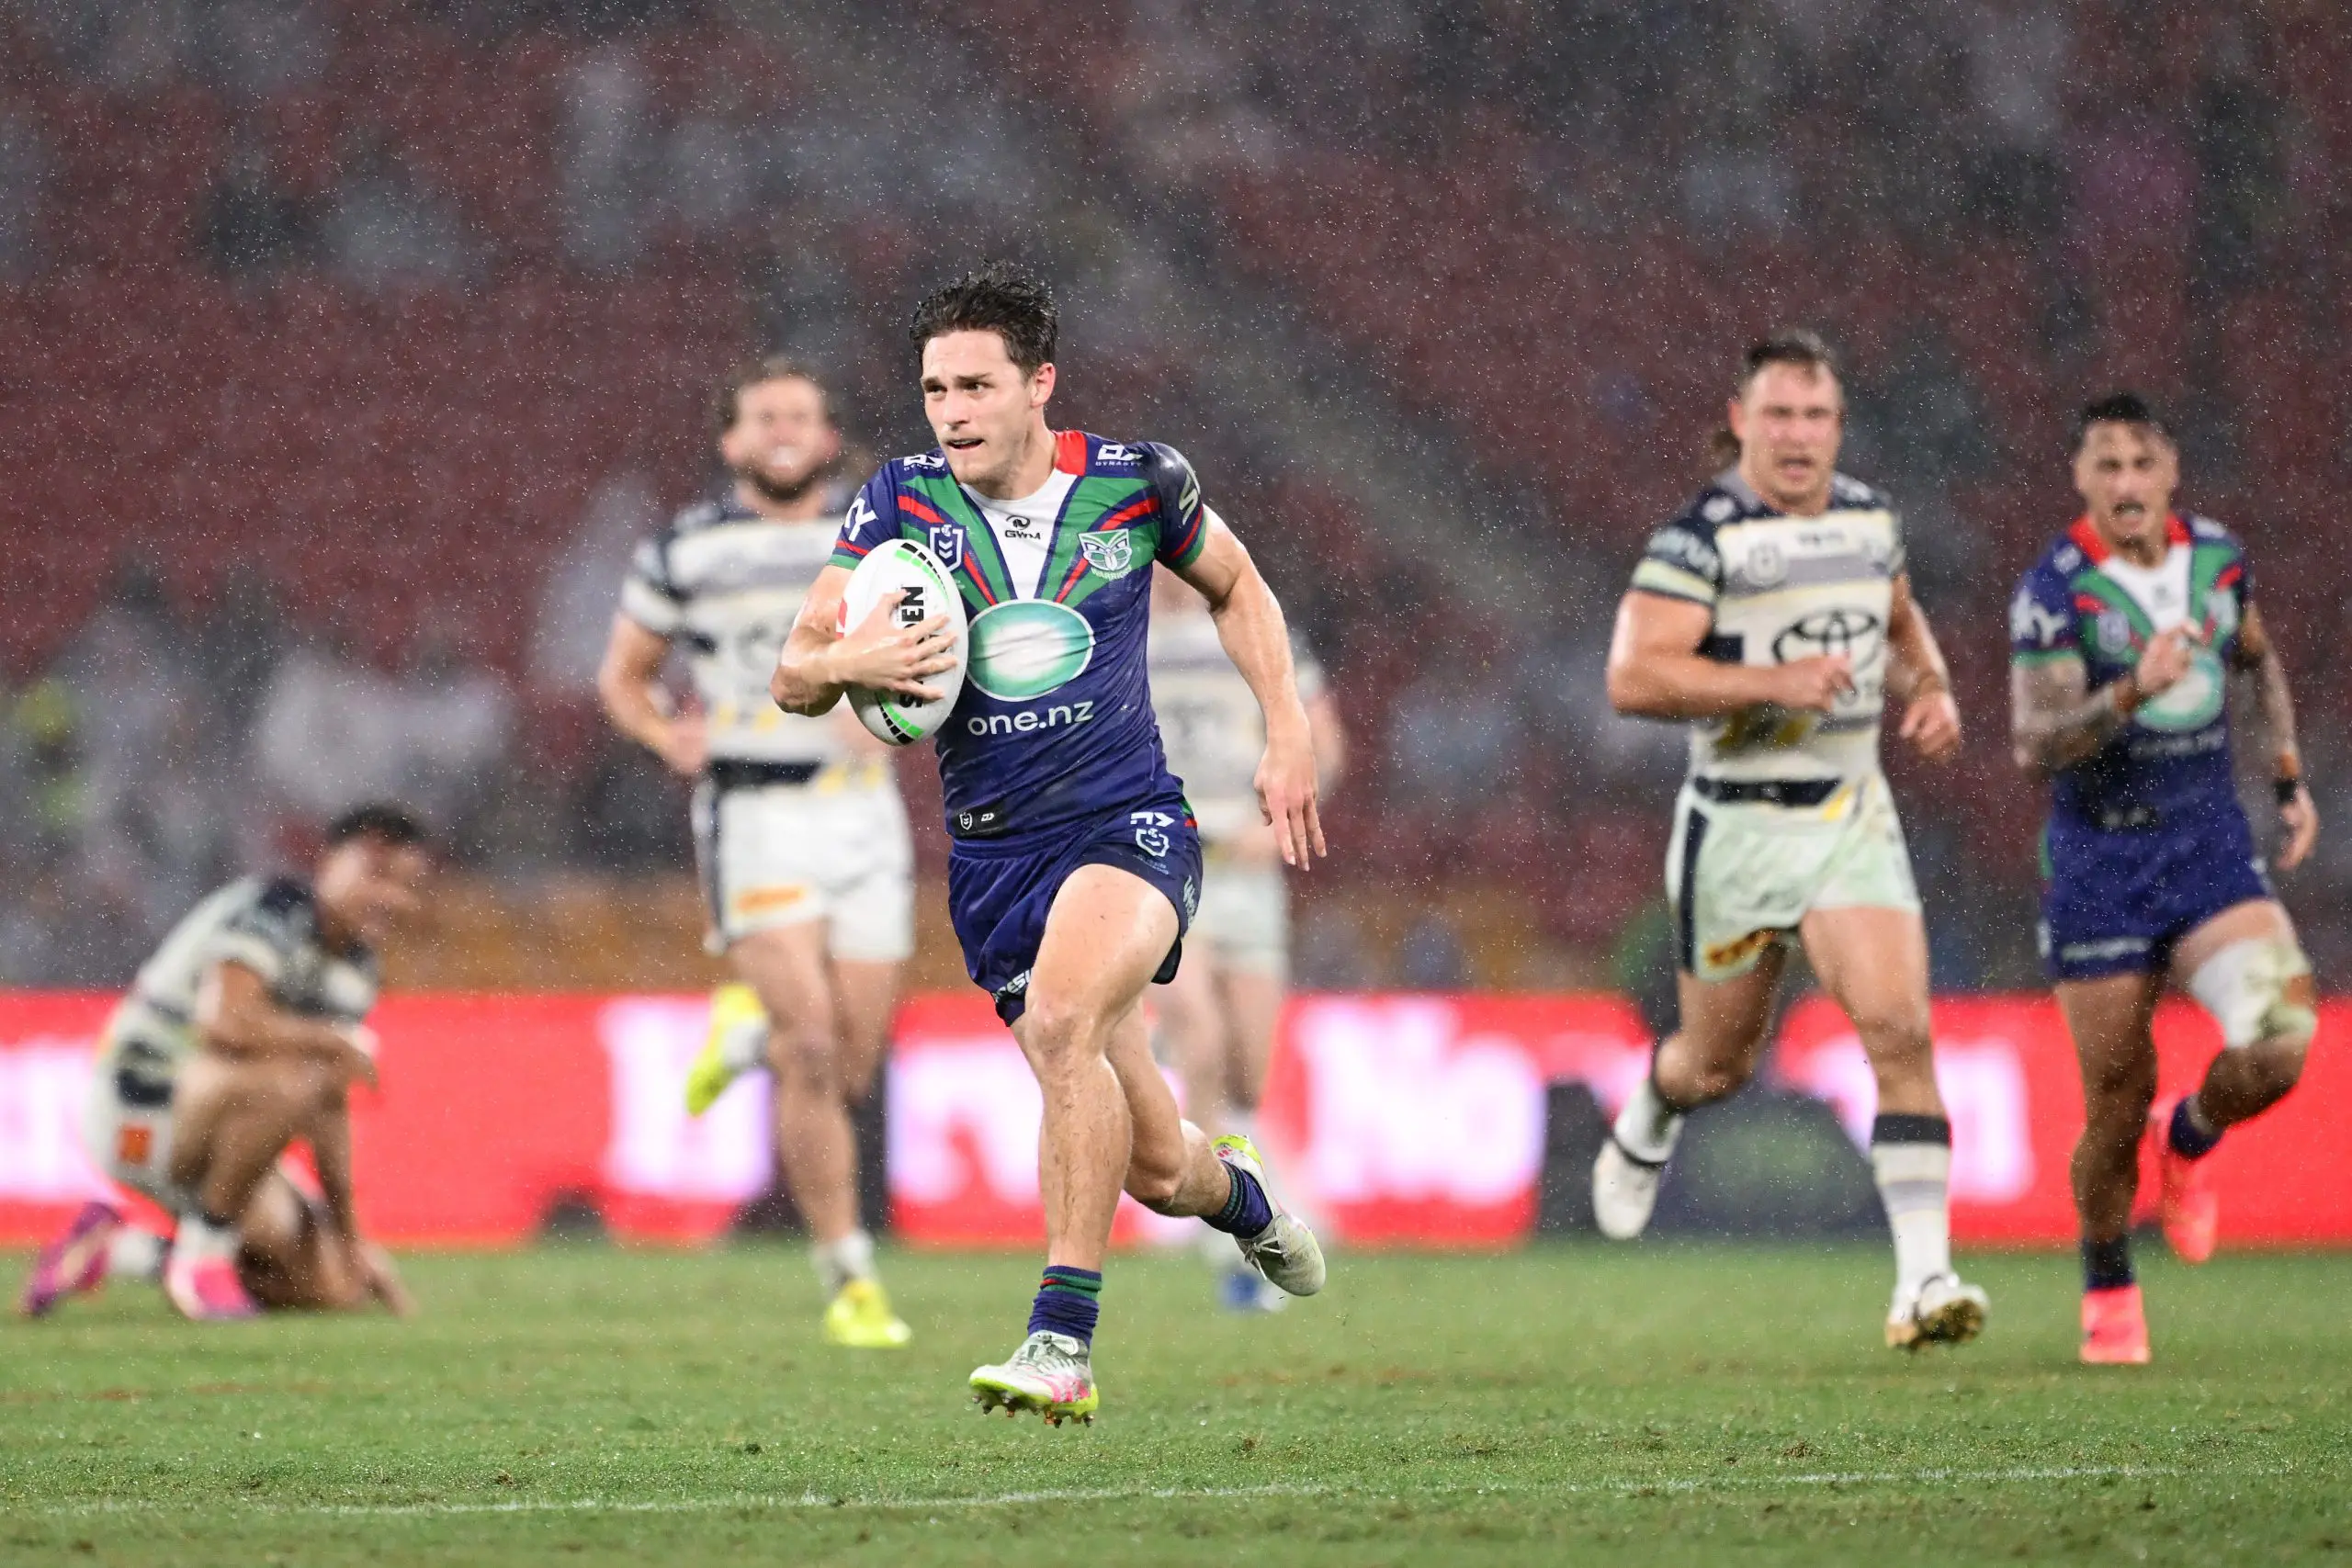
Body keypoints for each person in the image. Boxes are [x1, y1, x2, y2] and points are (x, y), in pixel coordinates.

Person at [771, 261, 1329, 1424]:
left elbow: (1241, 590)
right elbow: (794, 671)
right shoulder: (896, 503)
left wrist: (1285, 735)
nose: (953, 412)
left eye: (976, 386)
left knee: (1068, 1027)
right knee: (1156, 1163)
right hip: (991, 862)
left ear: (1040, 385)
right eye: (934, 390)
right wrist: (848, 664)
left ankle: (1059, 1343)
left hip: (1127, 826)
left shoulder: (1137, 483)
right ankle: (1242, 1202)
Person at [1591, 330, 1991, 1350]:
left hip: (1847, 813)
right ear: (1739, 421)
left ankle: (1923, 1281)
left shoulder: (1867, 519)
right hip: (1736, 825)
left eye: (1815, 416)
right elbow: (1635, 678)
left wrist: (1932, 688)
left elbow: (1897, 623)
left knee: (1899, 1032)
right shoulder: (1700, 539)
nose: (1797, 435)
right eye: (1778, 415)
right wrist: (1774, 683)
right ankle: (1654, 1101)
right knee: (1717, 1064)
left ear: (1837, 425)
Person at [597, 356, 914, 1350]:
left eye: (800, 415)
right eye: (762, 416)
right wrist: (663, 735)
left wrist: (900, 708)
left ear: (827, 439)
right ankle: (847, 1272)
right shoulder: (686, 550)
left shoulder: (886, 537)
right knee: (813, 1050)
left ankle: (747, 1030)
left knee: (851, 1065)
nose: (782, 430)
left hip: (866, 814)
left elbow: (941, 647)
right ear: (731, 441)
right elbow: (623, 678)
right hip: (754, 811)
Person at [2009, 393, 2318, 1366]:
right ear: (2080, 481)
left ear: (2171, 471)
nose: (2126, 483)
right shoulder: (2055, 591)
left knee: (2280, 1042)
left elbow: (2257, 662)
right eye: (2105, 465)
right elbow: (2034, 745)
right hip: (2099, 859)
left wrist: (2286, 775)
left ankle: (2186, 1136)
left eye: (2141, 463)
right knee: (2109, 1101)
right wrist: (2129, 691)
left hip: (2206, 845)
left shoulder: (2218, 562)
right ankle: (2107, 1279)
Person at [20, 804, 428, 1322]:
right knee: (301, 1070)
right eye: (375, 874)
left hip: (224, 1122)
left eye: (406, 884)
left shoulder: (356, 968)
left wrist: (354, 1242)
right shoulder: (273, 910)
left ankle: (120, 1249)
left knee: (326, 1285)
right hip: (141, 1105)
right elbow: (227, 1023)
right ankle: (202, 1257)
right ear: (329, 862)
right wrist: (330, 1042)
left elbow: (328, 1102)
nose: (388, 896)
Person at [1147, 566, 1345, 1310]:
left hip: (1249, 873)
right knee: (1199, 1033)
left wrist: (1288, 805)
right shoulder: (1118, 634)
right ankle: (1220, 1235)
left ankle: (1248, 1204)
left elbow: (1324, 740)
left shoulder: (1262, 630)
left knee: (1248, 1074)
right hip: (1167, 863)